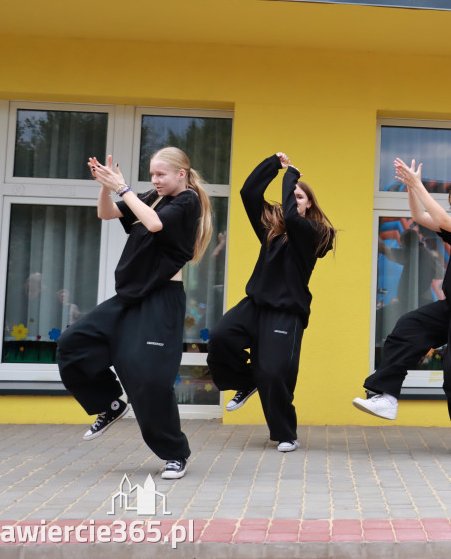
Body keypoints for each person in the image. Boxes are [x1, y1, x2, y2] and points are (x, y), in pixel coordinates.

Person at [57, 147, 212, 480]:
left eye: (161, 174)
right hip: (129, 298)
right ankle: (110, 403)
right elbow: (107, 213)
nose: (154, 180)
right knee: (73, 343)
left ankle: (175, 455)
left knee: (151, 381)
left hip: (161, 300)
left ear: (181, 174)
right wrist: (104, 185)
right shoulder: (149, 197)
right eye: (152, 174)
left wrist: (122, 187)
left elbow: (155, 225)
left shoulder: (188, 202)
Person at [353, 159, 451, 460]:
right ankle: (387, 396)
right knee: (407, 326)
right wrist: (410, 188)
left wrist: (418, 183)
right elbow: (418, 215)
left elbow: (440, 218)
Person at [206, 153, 335, 453]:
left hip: (286, 312)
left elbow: (292, 217)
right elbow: (248, 193)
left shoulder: (318, 234)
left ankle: (285, 433)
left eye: (298, 196)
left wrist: (292, 176)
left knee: (274, 373)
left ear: (309, 204)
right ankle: (246, 380)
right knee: (220, 337)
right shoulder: (271, 231)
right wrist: (274, 165)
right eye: (291, 195)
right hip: (254, 305)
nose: (292, 199)